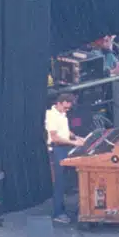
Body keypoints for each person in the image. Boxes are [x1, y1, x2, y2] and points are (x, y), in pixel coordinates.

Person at [46, 91, 87, 223]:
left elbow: (64, 131)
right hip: (57, 150)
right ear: (58, 103)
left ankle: (79, 207)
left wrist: (76, 137)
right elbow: (55, 137)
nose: (67, 110)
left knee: (68, 180)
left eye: (68, 108)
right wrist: (74, 142)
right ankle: (58, 213)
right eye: (65, 107)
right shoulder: (51, 115)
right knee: (59, 182)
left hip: (65, 148)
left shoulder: (62, 114)